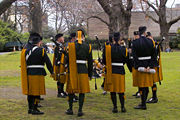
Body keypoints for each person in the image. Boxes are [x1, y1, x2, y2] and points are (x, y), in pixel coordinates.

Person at [21, 32, 54, 115]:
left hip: (29, 73)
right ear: (39, 42)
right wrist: (52, 72)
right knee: (37, 92)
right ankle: (35, 108)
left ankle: (30, 108)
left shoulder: (26, 51)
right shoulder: (42, 50)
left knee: (30, 91)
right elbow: (48, 63)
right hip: (38, 73)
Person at [65, 29, 93, 117]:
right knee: (82, 91)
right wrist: (90, 74)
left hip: (72, 70)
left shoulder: (71, 46)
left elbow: (67, 59)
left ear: (76, 37)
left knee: (71, 90)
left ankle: (70, 109)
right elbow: (90, 62)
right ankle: (80, 110)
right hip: (83, 70)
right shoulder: (88, 46)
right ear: (83, 37)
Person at [103, 32, 132, 113]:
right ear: (119, 39)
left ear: (113, 39)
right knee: (121, 91)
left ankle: (115, 107)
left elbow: (104, 60)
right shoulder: (124, 49)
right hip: (120, 71)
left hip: (111, 71)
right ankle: (122, 107)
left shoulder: (108, 48)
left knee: (112, 91)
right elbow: (127, 61)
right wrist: (131, 69)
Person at [132, 26, 157, 110]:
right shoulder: (150, 41)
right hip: (148, 66)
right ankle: (144, 102)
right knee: (147, 84)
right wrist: (150, 65)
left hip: (140, 66)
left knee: (142, 86)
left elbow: (134, 57)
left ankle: (143, 104)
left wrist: (139, 66)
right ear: (145, 32)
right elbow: (154, 55)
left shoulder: (135, 42)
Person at [146, 32, 163, 103]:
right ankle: (153, 96)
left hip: (153, 65)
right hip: (152, 64)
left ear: (151, 37)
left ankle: (154, 97)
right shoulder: (154, 44)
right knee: (151, 82)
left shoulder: (154, 44)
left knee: (153, 82)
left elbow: (154, 56)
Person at [53, 33, 67, 98]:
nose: (63, 38)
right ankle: (59, 92)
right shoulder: (57, 47)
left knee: (63, 77)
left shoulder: (62, 46)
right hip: (59, 65)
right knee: (59, 78)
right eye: (62, 37)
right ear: (59, 39)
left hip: (63, 64)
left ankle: (62, 91)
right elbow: (57, 56)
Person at [130, 31, 141, 98]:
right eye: (135, 36)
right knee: (136, 78)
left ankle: (140, 91)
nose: (135, 37)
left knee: (140, 78)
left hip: (139, 63)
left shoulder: (139, 43)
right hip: (134, 62)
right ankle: (139, 90)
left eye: (136, 36)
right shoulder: (133, 43)